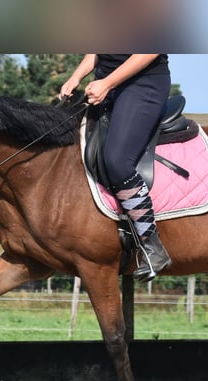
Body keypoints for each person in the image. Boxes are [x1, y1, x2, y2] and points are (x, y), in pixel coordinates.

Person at [60, 54, 172, 282]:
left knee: (117, 160)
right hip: (106, 85)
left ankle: (152, 245)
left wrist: (107, 83)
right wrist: (75, 78)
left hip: (142, 85)